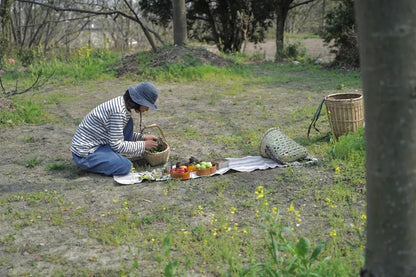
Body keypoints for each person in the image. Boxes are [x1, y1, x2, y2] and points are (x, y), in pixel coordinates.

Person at [70, 81, 160, 176]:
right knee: (126, 166)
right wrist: (143, 145)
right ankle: (91, 164)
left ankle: (107, 158)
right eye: (147, 106)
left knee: (129, 123)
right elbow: (117, 145)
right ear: (139, 101)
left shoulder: (122, 105)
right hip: (85, 154)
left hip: (100, 144)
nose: (147, 109)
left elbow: (117, 133)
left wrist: (142, 138)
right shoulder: (118, 112)